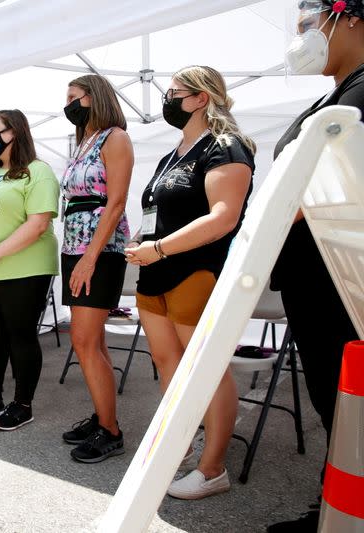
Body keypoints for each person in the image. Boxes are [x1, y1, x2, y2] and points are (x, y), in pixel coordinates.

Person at [124, 65, 255, 499]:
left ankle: (213, 467)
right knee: (169, 363)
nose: (167, 99)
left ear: (201, 98)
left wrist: (159, 248)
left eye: (175, 92)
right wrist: (145, 239)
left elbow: (223, 217)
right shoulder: (174, 152)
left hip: (194, 271)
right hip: (154, 273)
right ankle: (182, 439)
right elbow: (159, 212)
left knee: (206, 371)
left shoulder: (226, 146)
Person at [267, 2, 363, 531]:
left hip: (341, 277)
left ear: (349, 15)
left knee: (347, 401)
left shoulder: (361, 94)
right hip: (316, 274)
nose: (302, 37)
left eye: (309, 24)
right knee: (335, 400)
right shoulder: (336, 95)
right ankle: (337, 505)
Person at [0, 109, 59, 431]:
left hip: (24, 269)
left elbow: (38, 223)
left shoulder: (37, 171)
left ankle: (22, 404)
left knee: (21, 336)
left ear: (15, 132)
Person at [58, 74, 134, 463]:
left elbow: (116, 202)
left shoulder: (115, 137)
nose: (67, 103)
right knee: (93, 340)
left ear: (94, 97)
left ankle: (111, 431)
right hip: (76, 246)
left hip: (99, 251)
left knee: (83, 341)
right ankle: (103, 415)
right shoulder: (83, 141)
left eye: (74, 97)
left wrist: (90, 257)